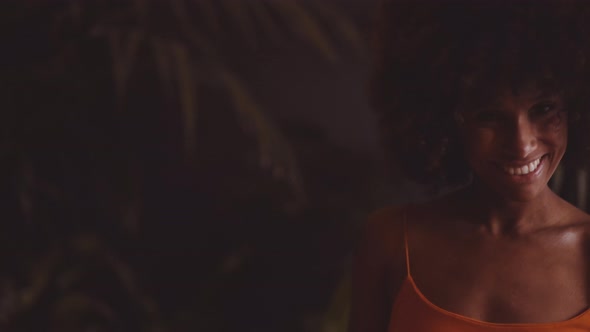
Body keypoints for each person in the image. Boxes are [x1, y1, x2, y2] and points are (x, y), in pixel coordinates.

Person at [349, 0, 590, 331]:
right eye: (489, 115)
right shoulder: (390, 241)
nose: (522, 144)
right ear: (447, 120)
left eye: (544, 107)